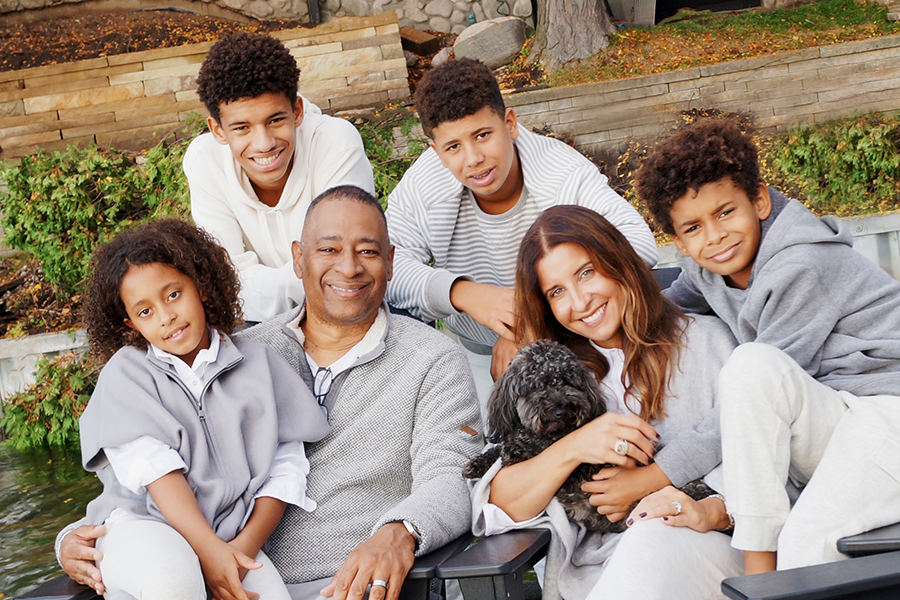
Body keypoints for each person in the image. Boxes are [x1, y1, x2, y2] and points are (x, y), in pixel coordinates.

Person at [59, 186, 483, 600]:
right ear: (298, 259)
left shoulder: (432, 358)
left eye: (368, 251)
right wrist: (70, 542)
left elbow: (455, 477)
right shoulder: (244, 352)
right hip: (222, 574)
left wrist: (398, 532)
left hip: (345, 584)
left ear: (390, 262)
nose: (349, 267)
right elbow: (151, 479)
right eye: (329, 250)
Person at [635, 117, 900, 574]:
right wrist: (564, 330)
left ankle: (760, 571)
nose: (715, 236)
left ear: (758, 201)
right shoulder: (711, 268)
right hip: (833, 419)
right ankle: (756, 559)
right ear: (677, 241)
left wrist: (658, 474)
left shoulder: (800, 265)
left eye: (725, 213)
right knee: (750, 367)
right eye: (693, 228)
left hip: (885, 415)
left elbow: (756, 393)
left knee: (806, 544)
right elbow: (660, 312)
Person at [470, 205, 742, 600]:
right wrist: (575, 446)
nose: (580, 302)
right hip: (599, 573)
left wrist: (710, 508)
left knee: (652, 539)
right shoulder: (556, 380)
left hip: (712, 546)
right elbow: (496, 508)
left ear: (617, 262)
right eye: (557, 291)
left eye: (586, 273)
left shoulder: (706, 342)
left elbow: (768, 461)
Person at [384, 58, 658, 423]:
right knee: (479, 451)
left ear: (510, 123)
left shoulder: (559, 172)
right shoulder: (423, 186)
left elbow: (640, 244)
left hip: (574, 342)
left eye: (483, 135)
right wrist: (466, 294)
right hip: (478, 353)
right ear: (435, 150)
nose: (474, 159)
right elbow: (386, 267)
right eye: (453, 147)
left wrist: (531, 323)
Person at [74, 219, 330, 600]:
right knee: (175, 579)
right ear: (129, 323)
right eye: (145, 312)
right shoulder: (126, 374)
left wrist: (239, 551)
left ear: (201, 287)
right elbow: (157, 471)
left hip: (229, 534)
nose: (166, 316)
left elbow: (285, 469)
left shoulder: (258, 363)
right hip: (140, 527)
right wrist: (209, 553)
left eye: (173, 294)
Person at [186, 32, 375, 323]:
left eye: (275, 120)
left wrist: (257, 290)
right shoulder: (204, 162)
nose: (264, 144)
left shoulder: (335, 143)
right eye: (242, 128)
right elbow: (226, 280)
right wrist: (308, 276)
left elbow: (345, 269)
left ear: (297, 111)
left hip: (356, 309)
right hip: (269, 323)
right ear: (218, 130)